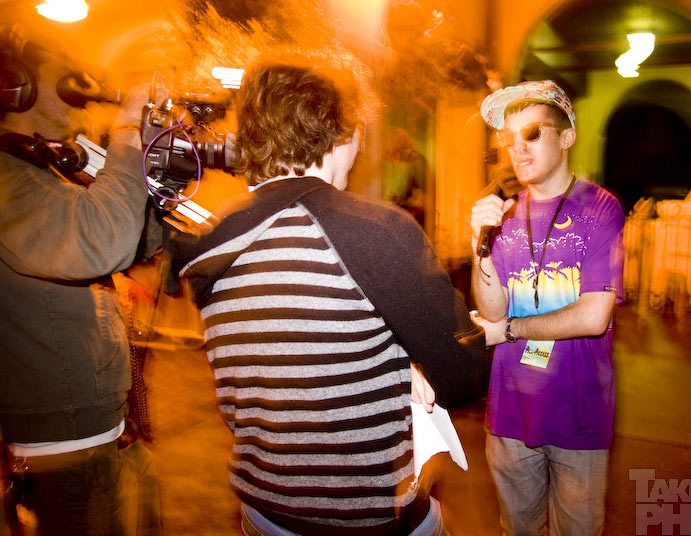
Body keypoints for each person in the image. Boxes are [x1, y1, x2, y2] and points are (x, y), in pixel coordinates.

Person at [171, 55, 489, 536]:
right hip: (368, 519)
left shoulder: (208, 240)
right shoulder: (375, 229)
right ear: (343, 132)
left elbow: (289, 349)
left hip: (263, 510)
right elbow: (463, 372)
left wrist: (393, 362)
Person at [0, 25, 159, 535]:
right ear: (15, 86)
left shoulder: (37, 167)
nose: (82, 86)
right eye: (63, 73)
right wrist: (128, 132)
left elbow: (132, 241)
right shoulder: (6, 179)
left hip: (90, 426)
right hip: (63, 445)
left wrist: (157, 185)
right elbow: (101, 240)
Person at [469, 80, 624, 535]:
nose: (517, 147)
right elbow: (492, 312)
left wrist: (511, 330)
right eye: (508, 138)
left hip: (579, 414)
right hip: (510, 413)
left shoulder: (600, 209)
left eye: (532, 133)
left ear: (567, 136)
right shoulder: (505, 213)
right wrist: (478, 246)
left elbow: (594, 316)